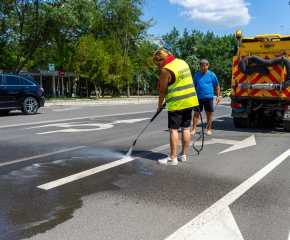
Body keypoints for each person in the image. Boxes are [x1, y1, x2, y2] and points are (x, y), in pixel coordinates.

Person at [153, 47, 199, 165]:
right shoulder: (182, 62)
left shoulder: (166, 70)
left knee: (173, 129)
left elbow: (162, 91)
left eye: (158, 64)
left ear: (163, 59)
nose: (158, 67)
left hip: (177, 103)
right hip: (189, 101)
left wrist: (159, 105)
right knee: (186, 128)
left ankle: (172, 158)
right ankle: (182, 155)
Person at [191, 59, 220, 136]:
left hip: (209, 97)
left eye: (204, 66)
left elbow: (217, 85)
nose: (203, 68)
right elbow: (194, 86)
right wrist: (192, 96)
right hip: (198, 97)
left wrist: (217, 96)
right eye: (201, 66)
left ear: (207, 66)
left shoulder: (212, 75)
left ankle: (209, 129)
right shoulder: (197, 75)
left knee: (208, 114)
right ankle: (193, 129)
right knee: (196, 113)